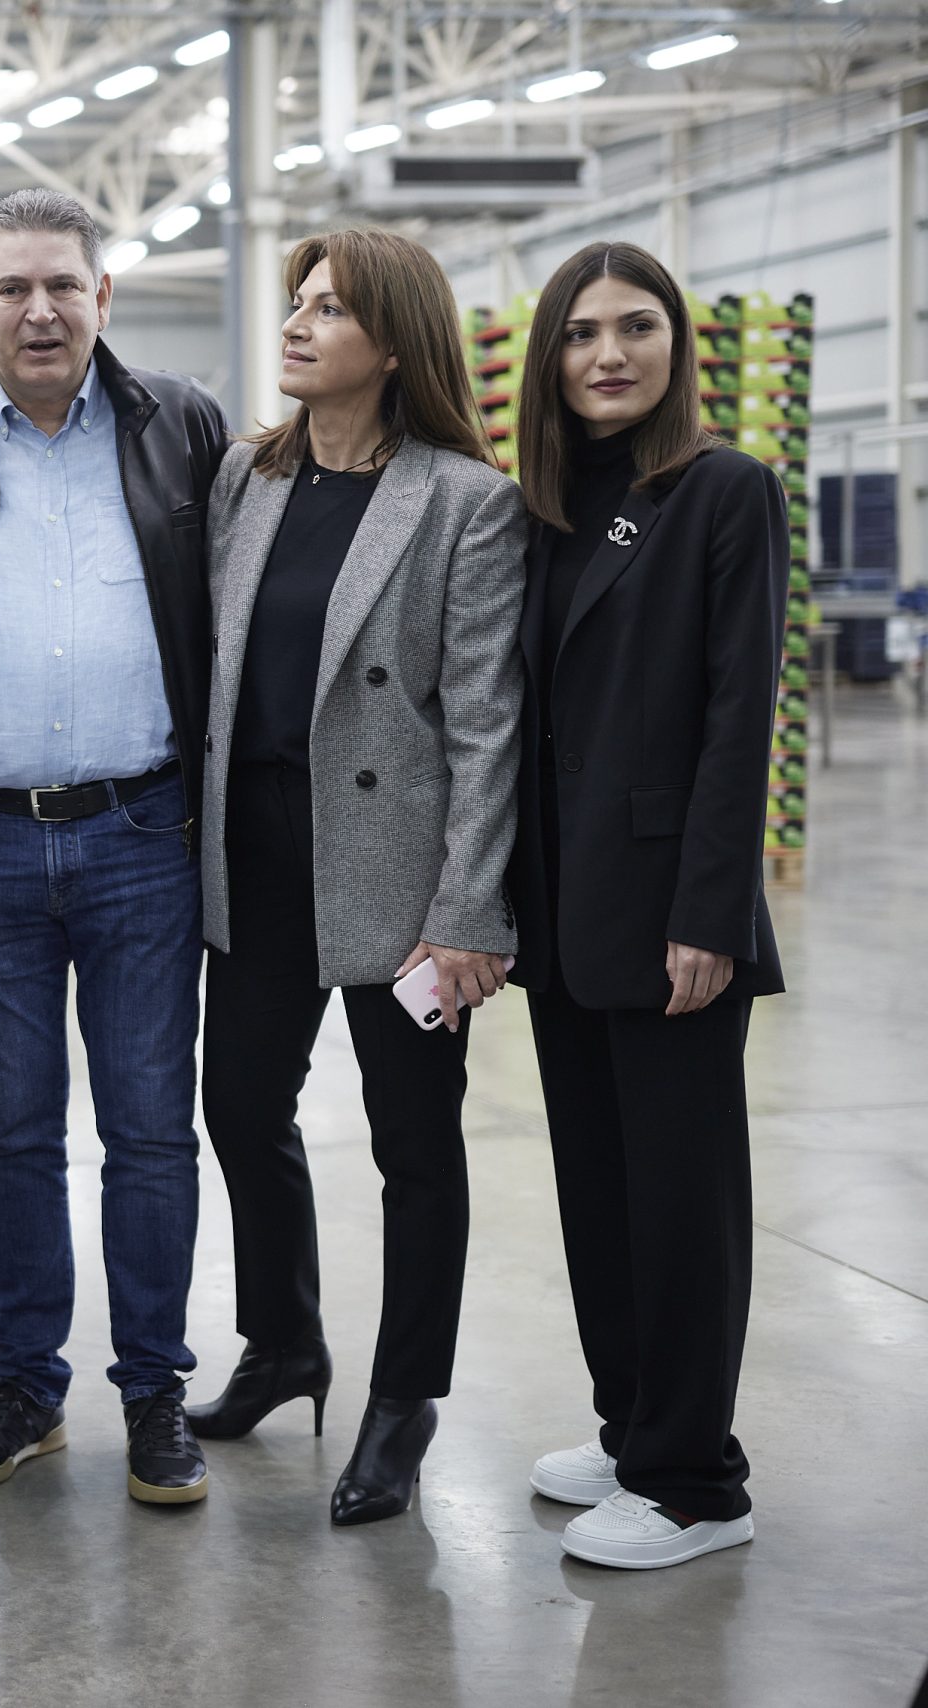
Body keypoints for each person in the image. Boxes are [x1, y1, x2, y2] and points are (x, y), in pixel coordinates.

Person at [0, 189, 228, 1503]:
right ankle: (26, 1385)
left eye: (64, 286)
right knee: (13, 1134)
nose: (40, 311)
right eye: (14, 289)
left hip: (144, 833)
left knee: (149, 1130)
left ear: (104, 298)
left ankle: (154, 1390)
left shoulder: (181, 427)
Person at [191, 228, 526, 1526]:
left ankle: (402, 1400)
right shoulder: (248, 477)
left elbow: (486, 723)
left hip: (397, 869)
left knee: (414, 1146)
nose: (297, 324)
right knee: (240, 1108)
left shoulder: (464, 501)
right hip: (258, 848)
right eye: (298, 302)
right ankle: (283, 1343)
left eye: (329, 309)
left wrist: (467, 912)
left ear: (392, 344)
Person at [506, 241, 787, 1571]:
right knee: (599, 1189)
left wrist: (710, 913)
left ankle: (696, 1484)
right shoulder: (547, 506)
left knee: (680, 1201)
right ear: (548, 358)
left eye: (636, 327)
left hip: (672, 907)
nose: (607, 354)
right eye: (580, 332)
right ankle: (633, 1431)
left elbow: (740, 715)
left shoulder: (724, 491)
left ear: (678, 346)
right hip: (566, 908)